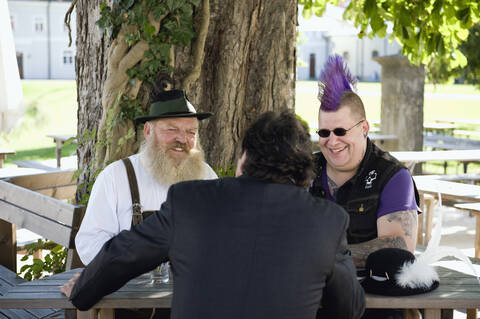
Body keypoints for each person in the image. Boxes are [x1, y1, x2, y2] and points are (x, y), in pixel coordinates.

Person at [62, 111, 365, 319]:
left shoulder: (190, 201)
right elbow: (349, 308)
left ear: (245, 158)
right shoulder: (328, 221)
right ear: (304, 169)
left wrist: (83, 290)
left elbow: (123, 254)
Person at [75, 89, 218, 266]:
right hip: (131, 288)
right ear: (148, 130)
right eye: (172, 129)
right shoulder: (116, 177)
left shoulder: (207, 176)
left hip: (194, 285)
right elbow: (90, 243)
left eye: (191, 132)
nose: (182, 139)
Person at [309, 55, 421, 269]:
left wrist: (321, 256)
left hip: (373, 297)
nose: (332, 141)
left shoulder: (393, 176)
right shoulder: (303, 170)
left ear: (364, 129)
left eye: (340, 131)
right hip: (305, 293)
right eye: (324, 132)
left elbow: (399, 247)